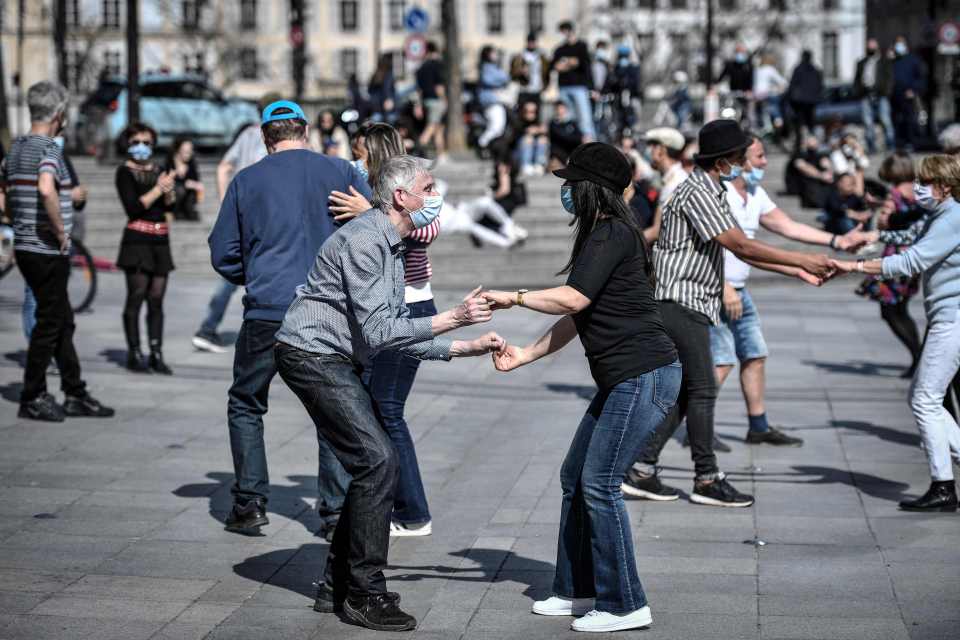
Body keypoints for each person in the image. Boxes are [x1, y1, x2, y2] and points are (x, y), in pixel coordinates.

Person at [274, 154, 504, 631]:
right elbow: (382, 333)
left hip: (336, 356)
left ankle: (338, 587)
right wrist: (454, 318)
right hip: (311, 354)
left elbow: (399, 333)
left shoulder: (393, 244)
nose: (435, 195)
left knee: (371, 463)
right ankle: (365, 593)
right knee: (379, 461)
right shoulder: (365, 241)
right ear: (402, 196)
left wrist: (464, 347)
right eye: (429, 186)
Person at [484, 143, 680, 633]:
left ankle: (624, 603)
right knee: (576, 477)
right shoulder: (602, 233)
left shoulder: (613, 232)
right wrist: (527, 354)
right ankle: (577, 589)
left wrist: (513, 296)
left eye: (572, 183)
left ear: (593, 190)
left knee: (600, 483)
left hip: (644, 374)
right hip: (625, 379)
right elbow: (580, 311)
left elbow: (572, 296)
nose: (566, 191)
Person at [620, 119, 834, 506]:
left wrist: (796, 269)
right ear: (722, 160)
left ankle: (641, 470)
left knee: (688, 392)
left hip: (691, 302)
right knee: (702, 387)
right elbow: (741, 246)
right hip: (679, 301)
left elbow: (740, 247)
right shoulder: (698, 192)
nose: (744, 166)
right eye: (739, 158)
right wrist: (801, 260)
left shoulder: (713, 189)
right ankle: (706, 478)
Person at [208, 100, 369, 535]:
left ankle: (250, 502)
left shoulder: (247, 180)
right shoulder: (341, 172)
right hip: (328, 311)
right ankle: (335, 512)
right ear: (306, 131)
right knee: (332, 409)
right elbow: (378, 229)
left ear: (265, 137)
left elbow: (222, 252)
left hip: (267, 309)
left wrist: (256, 275)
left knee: (246, 402)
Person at [323, 123, 445, 538]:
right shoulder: (370, 192)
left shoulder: (409, 187)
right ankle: (393, 502)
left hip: (409, 306)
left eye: (359, 152)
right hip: (384, 309)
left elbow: (428, 228)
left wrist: (371, 217)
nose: (353, 160)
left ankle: (412, 512)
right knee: (378, 408)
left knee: (388, 409)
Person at [710, 135, 864, 449]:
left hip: (740, 291)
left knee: (755, 354)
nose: (765, 162)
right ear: (738, 160)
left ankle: (759, 426)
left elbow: (787, 226)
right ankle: (692, 429)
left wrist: (838, 242)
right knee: (721, 363)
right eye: (760, 156)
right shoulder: (717, 195)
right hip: (715, 291)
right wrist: (723, 285)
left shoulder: (754, 192)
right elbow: (714, 246)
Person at [830, 155, 960, 512]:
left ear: (945, 187)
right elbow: (910, 236)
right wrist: (876, 235)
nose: (918, 187)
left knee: (925, 400)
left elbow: (911, 261)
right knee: (920, 397)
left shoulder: (953, 217)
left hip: (953, 319)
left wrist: (853, 267)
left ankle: (944, 486)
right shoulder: (943, 214)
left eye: (926, 181)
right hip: (947, 318)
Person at [0, 81, 113, 421]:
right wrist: (60, 231)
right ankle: (33, 395)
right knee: (50, 323)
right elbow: (47, 188)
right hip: (48, 249)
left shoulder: (16, 148)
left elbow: (2, 188)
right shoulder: (49, 149)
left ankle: (75, 391)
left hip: (27, 246)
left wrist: (13, 218)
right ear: (59, 114)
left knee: (61, 320)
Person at [192, 92, 279, 353]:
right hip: (262, 216)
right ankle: (213, 329)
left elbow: (223, 167)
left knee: (235, 276)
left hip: (245, 214)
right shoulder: (264, 138)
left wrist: (225, 203)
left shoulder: (247, 134)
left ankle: (209, 327)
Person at [853, 152, 924, 378]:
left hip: (896, 256)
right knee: (901, 309)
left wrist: (881, 211)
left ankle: (918, 356)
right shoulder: (919, 190)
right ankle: (918, 356)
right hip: (914, 256)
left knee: (890, 311)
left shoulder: (894, 194)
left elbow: (884, 223)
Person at [115, 123, 177, 374]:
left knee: (157, 298)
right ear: (128, 144)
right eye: (136, 141)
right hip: (136, 241)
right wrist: (158, 189)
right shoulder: (124, 172)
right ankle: (134, 351)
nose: (142, 146)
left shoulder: (160, 169)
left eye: (147, 142)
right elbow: (133, 207)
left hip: (159, 240)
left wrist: (170, 191)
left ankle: (156, 352)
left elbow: (170, 206)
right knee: (137, 295)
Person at [643, 127, 688, 245]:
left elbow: (656, 231)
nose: (648, 151)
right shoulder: (671, 179)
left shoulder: (675, 183)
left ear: (661, 151)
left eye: (652, 146)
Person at [553, 21, 595, 141]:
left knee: (585, 118)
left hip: (579, 87)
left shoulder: (581, 46)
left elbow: (584, 65)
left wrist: (592, 88)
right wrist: (569, 63)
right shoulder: (560, 49)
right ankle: (572, 142)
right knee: (567, 118)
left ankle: (589, 144)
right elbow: (555, 66)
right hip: (564, 87)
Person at [855, 38, 895, 154]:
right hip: (866, 95)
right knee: (868, 122)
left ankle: (890, 144)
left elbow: (890, 78)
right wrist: (858, 91)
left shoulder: (884, 62)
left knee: (885, 120)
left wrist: (887, 92)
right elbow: (857, 79)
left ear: (877, 47)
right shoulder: (861, 62)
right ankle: (871, 146)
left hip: (881, 95)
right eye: (869, 46)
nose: (871, 48)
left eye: (873, 46)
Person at [891, 36, 927, 150]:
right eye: (897, 44)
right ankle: (898, 142)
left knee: (910, 119)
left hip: (909, 94)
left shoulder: (913, 60)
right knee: (896, 120)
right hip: (895, 95)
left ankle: (911, 142)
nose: (898, 46)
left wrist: (914, 89)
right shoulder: (893, 61)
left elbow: (921, 77)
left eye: (900, 44)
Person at [787, 50, 824, 151]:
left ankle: (800, 145)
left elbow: (792, 85)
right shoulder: (815, 70)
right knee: (811, 124)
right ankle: (812, 143)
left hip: (799, 102)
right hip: (811, 102)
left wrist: (790, 99)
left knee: (799, 125)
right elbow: (820, 86)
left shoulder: (798, 69)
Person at [785, 134, 833, 209]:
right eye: (810, 142)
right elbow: (803, 167)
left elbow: (826, 164)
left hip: (816, 181)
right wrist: (821, 176)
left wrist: (829, 172)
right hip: (800, 184)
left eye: (815, 142)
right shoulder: (799, 154)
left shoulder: (819, 154)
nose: (813, 144)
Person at [415, 42, 446, 159]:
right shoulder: (437, 65)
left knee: (439, 128)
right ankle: (418, 148)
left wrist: (418, 105)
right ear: (436, 51)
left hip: (426, 100)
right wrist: (445, 100)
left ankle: (441, 155)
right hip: (436, 100)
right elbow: (439, 86)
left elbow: (418, 90)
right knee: (432, 126)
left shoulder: (421, 67)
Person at [477, 46, 510, 150]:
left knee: (498, 127)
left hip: (496, 100)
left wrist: (501, 81)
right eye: (493, 53)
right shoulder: (486, 67)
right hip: (490, 101)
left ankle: (488, 146)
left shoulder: (494, 67)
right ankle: (482, 143)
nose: (496, 55)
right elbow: (488, 80)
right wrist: (499, 83)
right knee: (497, 126)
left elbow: (506, 78)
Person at [163, 136, 203, 221]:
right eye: (185, 151)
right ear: (178, 150)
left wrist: (195, 184)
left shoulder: (191, 163)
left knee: (191, 191)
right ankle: (174, 212)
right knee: (180, 189)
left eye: (190, 151)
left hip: (188, 195)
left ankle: (187, 212)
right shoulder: (170, 161)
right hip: (172, 195)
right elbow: (167, 179)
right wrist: (185, 182)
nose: (188, 154)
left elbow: (196, 180)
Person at [512, 32, 551, 107]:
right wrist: (521, 71)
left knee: (537, 112)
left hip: (538, 89)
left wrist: (546, 85)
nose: (531, 44)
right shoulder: (520, 56)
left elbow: (547, 71)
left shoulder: (542, 56)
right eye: (529, 42)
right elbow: (513, 73)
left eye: (533, 41)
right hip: (524, 89)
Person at [719, 43, 754, 124]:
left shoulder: (748, 65)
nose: (740, 54)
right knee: (730, 112)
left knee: (745, 113)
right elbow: (722, 76)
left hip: (744, 94)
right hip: (733, 93)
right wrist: (715, 86)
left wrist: (749, 90)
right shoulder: (730, 64)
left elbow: (751, 79)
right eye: (738, 52)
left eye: (742, 52)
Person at [752, 54, 788, 134]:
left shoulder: (757, 69)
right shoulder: (770, 69)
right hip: (766, 93)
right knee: (774, 104)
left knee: (760, 111)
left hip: (756, 95)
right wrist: (781, 88)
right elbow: (781, 81)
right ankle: (778, 120)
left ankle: (761, 127)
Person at [515, 99, 548, 176]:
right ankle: (526, 165)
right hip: (518, 152)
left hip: (536, 149)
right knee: (528, 139)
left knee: (542, 139)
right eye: (527, 111)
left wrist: (539, 131)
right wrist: (529, 132)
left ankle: (538, 165)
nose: (530, 114)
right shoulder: (518, 121)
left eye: (533, 111)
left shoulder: (539, 121)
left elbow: (544, 131)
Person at [548, 101, 584, 168]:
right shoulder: (553, 124)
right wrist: (572, 137)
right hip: (560, 150)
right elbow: (561, 136)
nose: (560, 111)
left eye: (562, 109)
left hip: (572, 148)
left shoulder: (572, 122)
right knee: (555, 150)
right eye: (558, 109)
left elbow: (579, 136)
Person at [369, 54, 397, 123]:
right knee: (391, 124)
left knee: (375, 126)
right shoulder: (389, 74)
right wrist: (389, 99)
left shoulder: (375, 75)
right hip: (387, 106)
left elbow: (370, 91)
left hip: (376, 108)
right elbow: (387, 89)